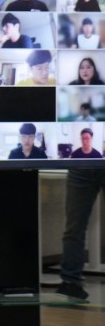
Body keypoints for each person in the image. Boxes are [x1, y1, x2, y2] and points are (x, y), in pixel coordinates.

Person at [58, 128, 105, 299]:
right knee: (74, 228)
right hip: (80, 167)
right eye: (83, 138)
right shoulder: (77, 153)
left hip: (82, 168)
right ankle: (70, 283)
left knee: (74, 229)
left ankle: (70, 282)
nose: (85, 141)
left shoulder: (94, 153)